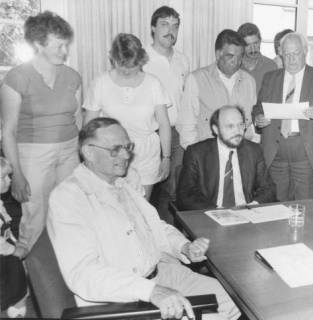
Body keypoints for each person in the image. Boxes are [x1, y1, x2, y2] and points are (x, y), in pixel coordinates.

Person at [47, 117, 240, 320]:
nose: (125, 155)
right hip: (122, 298)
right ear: (88, 152)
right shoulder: (69, 197)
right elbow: (84, 274)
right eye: (115, 149)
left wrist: (184, 247)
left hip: (162, 274)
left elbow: (156, 227)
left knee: (236, 297)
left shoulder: (121, 183)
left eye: (127, 147)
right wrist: (151, 291)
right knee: (214, 314)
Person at [0, 11, 81, 258]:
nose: (65, 50)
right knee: (35, 216)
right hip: (32, 153)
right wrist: (18, 175)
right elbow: (8, 132)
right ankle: (24, 272)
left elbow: (76, 119)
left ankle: (67, 265)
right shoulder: (16, 78)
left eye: (66, 44)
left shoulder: (72, 76)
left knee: (70, 210)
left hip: (69, 150)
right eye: (59, 45)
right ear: (39, 44)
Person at [83, 33, 171, 199]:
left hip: (146, 154)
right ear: (113, 59)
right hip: (111, 153)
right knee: (112, 205)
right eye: (122, 66)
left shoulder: (153, 84)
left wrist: (166, 157)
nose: (127, 71)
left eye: (132, 66)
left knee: (142, 207)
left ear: (140, 60)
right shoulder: (100, 83)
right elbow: (89, 126)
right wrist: (88, 157)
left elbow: (164, 124)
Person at [253, 32, 313, 201]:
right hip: (275, 151)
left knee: (306, 206)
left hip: (306, 152)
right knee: (276, 205)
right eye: (287, 54)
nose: (291, 59)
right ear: (281, 54)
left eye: (296, 53)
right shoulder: (270, 78)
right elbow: (258, 107)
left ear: (305, 51)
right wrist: (258, 118)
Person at [177, 105, 276, 210]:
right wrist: (216, 211)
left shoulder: (253, 151)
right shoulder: (197, 153)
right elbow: (186, 195)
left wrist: (253, 205)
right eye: (230, 126)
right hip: (211, 214)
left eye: (241, 125)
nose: (237, 131)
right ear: (216, 129)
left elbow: (268, 188)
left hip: (246, 214)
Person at [144, 6, 190, 215]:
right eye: (164, 24)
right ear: (153, 28)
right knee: (146, 192)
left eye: (175, 25)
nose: (170, 30)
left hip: (178, 135)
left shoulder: (182, 60)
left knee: (173, 192)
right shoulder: (141, 59)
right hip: (150, 135)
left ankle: (169, 242)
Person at [177, 29, 257, 149]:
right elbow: (186, 125)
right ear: (218, 54)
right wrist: (195, 155)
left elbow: (250, 125)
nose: (236, 61)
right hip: (207, 155)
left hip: (240, 154)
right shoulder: (196, 79)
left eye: (240, 56)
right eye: (230, 56)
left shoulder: (249, 81)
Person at [0, 157, 28, 318]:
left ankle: (17, 307)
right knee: (9, 280)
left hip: (6, 246)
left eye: (8, 176)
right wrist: (13, 250)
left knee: (17, 278)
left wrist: (15, 243)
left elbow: (6, 226)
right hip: (3, 253)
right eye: (3, 177)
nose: (9, 180)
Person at [237, 23, 277, 94]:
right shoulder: (234, 66)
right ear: (240, 45)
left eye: (255, 43)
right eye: (247, 45)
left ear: (260, 41)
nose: (253, 49)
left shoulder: (271, 66)